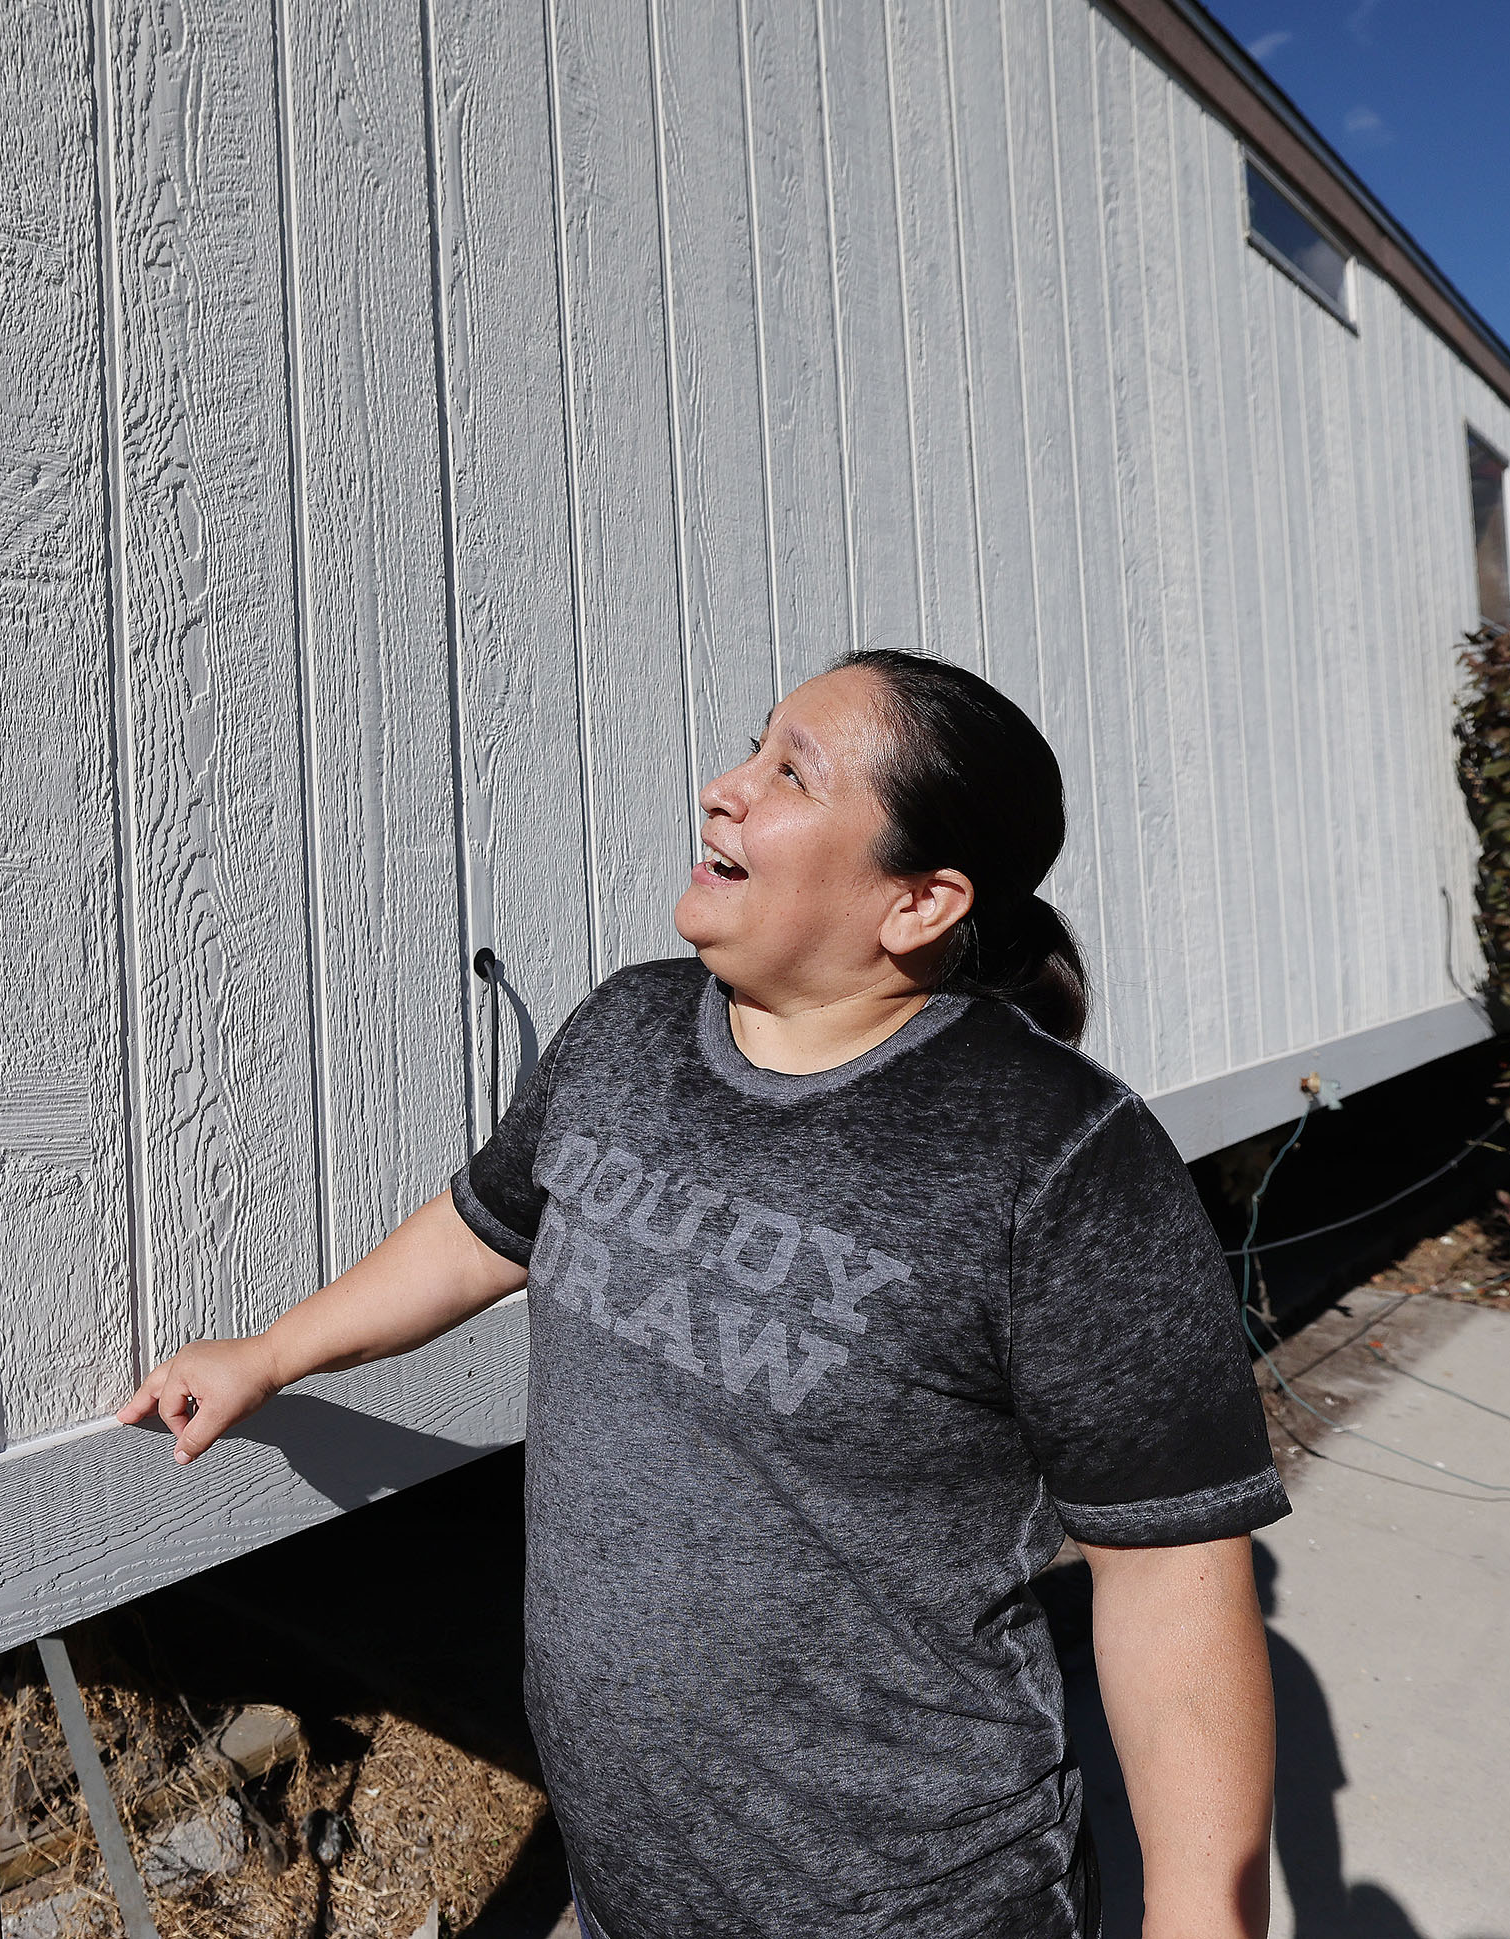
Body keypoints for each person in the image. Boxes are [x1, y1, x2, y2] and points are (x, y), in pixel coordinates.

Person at [118, 650, 1283, 1939]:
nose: (725, 788)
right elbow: (483, 1228)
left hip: (914, 1906)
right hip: (632, 1888)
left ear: (919, 902)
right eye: (752, 747)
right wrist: (273, 1352)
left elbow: (1170, 1576)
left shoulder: (1059, 1158)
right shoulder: (628, 1033)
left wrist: (1204, 1918)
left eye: (794, 773)